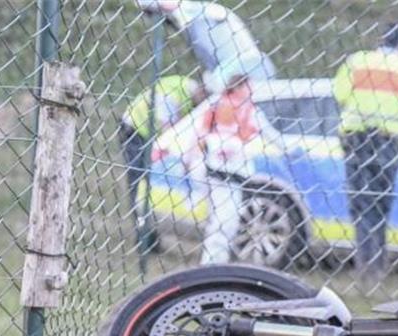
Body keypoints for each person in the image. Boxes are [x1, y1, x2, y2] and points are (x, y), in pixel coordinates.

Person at [332, 23, 398, 278]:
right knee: (380, 204)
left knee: (359, 203)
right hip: (388, 143)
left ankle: (362, 263)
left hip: (356, 140)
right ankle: (377, 266)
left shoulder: (356, 62)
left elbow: (340, 94)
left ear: (379, 40)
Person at [195, 69, 283, 265]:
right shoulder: (242, 109)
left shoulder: (220, 105)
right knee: (226, 219)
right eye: (248, 86)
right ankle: (213, 262)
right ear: (238, 86)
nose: (251, 91)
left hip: (219, 170)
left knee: (221, 218)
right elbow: (272, 136)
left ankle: (214, 259)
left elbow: (201, 135)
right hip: (227, 171)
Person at [119, 75, 206, 222]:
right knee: (139, 180)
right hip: (136, 131)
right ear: (201, 91)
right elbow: (168, 130)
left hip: (148, 136)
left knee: (147, 180)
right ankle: (142, 227)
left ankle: (147, 225)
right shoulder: (173, 93)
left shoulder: (185, 91)